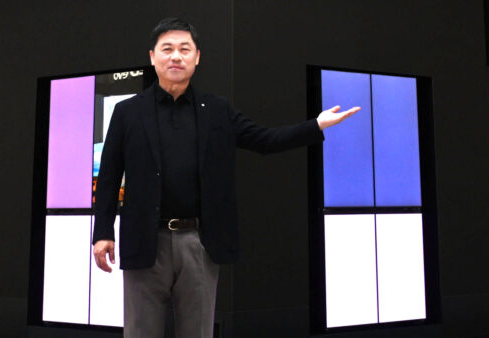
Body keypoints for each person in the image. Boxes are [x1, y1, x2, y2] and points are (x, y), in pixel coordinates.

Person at [92, 17, 359, 337]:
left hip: (200, 242)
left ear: (197, 57)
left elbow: (263, 140)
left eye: (184, 49)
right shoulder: (127, 111)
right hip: (145, 240)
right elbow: (108, 176)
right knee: (140, 331)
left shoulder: (216, 110)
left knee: (198, 331)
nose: (176, 56)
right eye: (167, 49)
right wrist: (103, 231)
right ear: (152, 57)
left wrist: (315, 125)